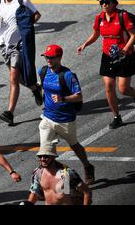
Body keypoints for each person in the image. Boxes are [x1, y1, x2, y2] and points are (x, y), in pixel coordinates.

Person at [0, 0, 42, 126]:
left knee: (13, 78)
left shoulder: (23, 1)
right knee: (21, 78)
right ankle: (35, 88)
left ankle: (9, 113)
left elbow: (36, 15)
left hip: (18, 45)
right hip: (3, 46)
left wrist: (26, 25)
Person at [77, 0, 135, 129]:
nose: (103, 4)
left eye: (106, 2)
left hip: (125, 56)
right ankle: (117, 117)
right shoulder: (99, 18)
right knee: (109, 87)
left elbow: (133, 35)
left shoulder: (122, 16)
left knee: (123, 90)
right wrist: (84, 44)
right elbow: (95, 34)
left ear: (114, 3)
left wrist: (124, 50)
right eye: (101, 2)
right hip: (107, 56)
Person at [38, 44, 95, 185]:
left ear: (59, 57)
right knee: (45, 153)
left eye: (51, 58)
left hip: (65, 120)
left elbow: (79, 96)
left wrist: (63, 98)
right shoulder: (43, 71)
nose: (48, 60)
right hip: (47, 118)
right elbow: (43, 86)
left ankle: (87, 166)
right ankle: (52, 183)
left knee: (74, 145)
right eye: (46, 57)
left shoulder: (68, 75)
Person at [23, 142, 92, 205]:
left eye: (46, 156)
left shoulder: (66, 173)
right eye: (40, 156)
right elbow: (35, 193)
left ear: (53, 156)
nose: (42, 159)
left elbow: (87, 191)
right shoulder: (38, 173)